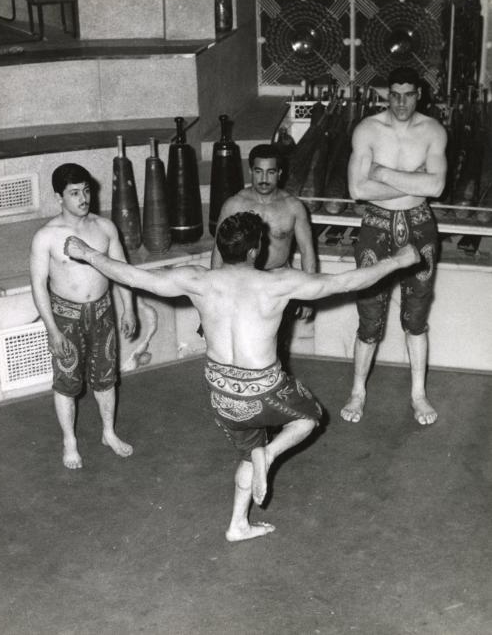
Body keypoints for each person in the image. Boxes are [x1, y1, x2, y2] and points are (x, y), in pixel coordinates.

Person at [64, 211, 419, 541]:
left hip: (223, 396)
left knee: (249, 454)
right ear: (256, 250)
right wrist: (400, 260)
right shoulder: (278, 283)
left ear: (221, 246)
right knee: (310, 418)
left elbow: (134, 276)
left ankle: (238, 524)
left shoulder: (198, 279)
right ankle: (272, 453)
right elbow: (347, 281)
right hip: (266, 390)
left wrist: (87, 253)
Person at [341, 66, 447, 426]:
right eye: (394, 94)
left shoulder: (432, 130)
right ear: (386, 94)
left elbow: (436, 188)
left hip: (419, 224)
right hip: (376, 225)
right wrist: (415, 181)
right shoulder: (368, 129)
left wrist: (383, 173)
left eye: (409, 94)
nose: (401, 103)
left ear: (420, 94)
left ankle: (418, 394)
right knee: (369, 315)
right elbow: (357, 191)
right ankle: (358, 391)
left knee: (416, 317)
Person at [30, 163, 136, 469]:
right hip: (66, 316)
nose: (83, 197)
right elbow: (38, 286)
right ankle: (70, 441)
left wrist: (128, 308)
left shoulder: (105, 228)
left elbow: (121, 271)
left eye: (86, 190)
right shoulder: (46, 236)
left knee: (106, 378)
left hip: (102, 312)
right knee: (67, 381)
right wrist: (52, 329)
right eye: (74, 192)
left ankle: (108, 433)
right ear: (58, 197)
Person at [211, 143, 316, 326]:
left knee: (278, 342)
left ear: (280, 173)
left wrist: (309, 296)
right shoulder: (234, 204)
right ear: (251, 170)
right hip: (242, 281)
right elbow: (218, 251)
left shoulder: (293, 207)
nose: (264, 178)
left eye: (271, 172)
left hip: (279, 280)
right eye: (259, 171)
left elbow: (308, 252)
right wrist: (214, 292)